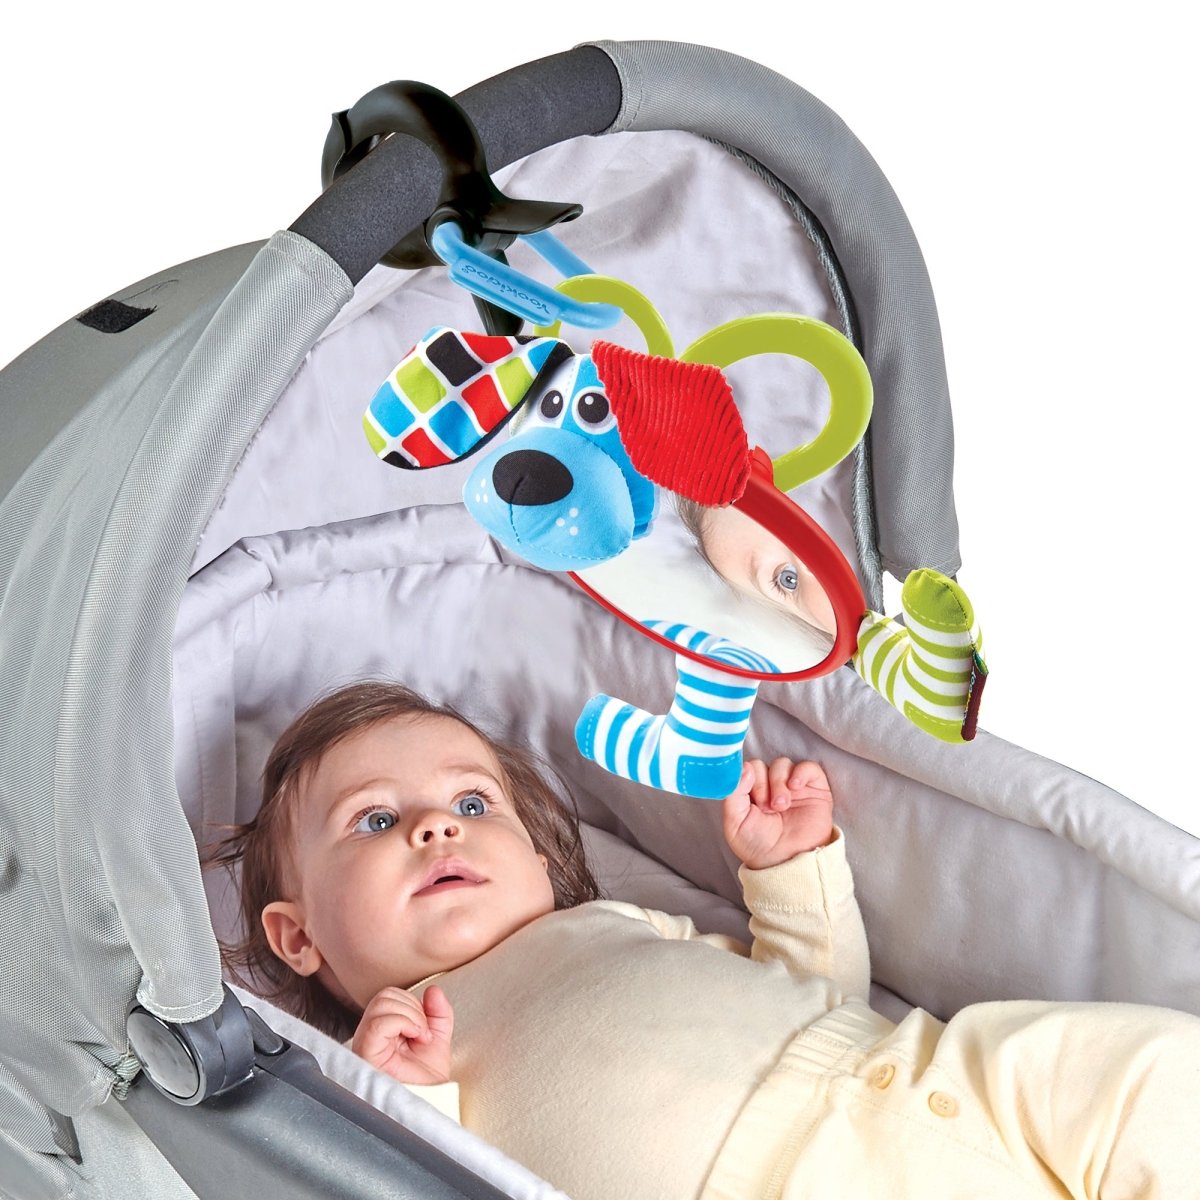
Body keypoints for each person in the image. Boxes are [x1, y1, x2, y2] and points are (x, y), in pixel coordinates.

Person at [203, 681, 1200, 1200]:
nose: (435, 827)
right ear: (298, 938)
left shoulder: (611, 924)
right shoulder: (399, 1057)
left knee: (1137, 1074)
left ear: (540, 857)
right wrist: (394, 1101)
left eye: (472, 803)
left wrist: (790, 872)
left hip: (923, 1071)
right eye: (376, 821)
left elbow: (814, 991)